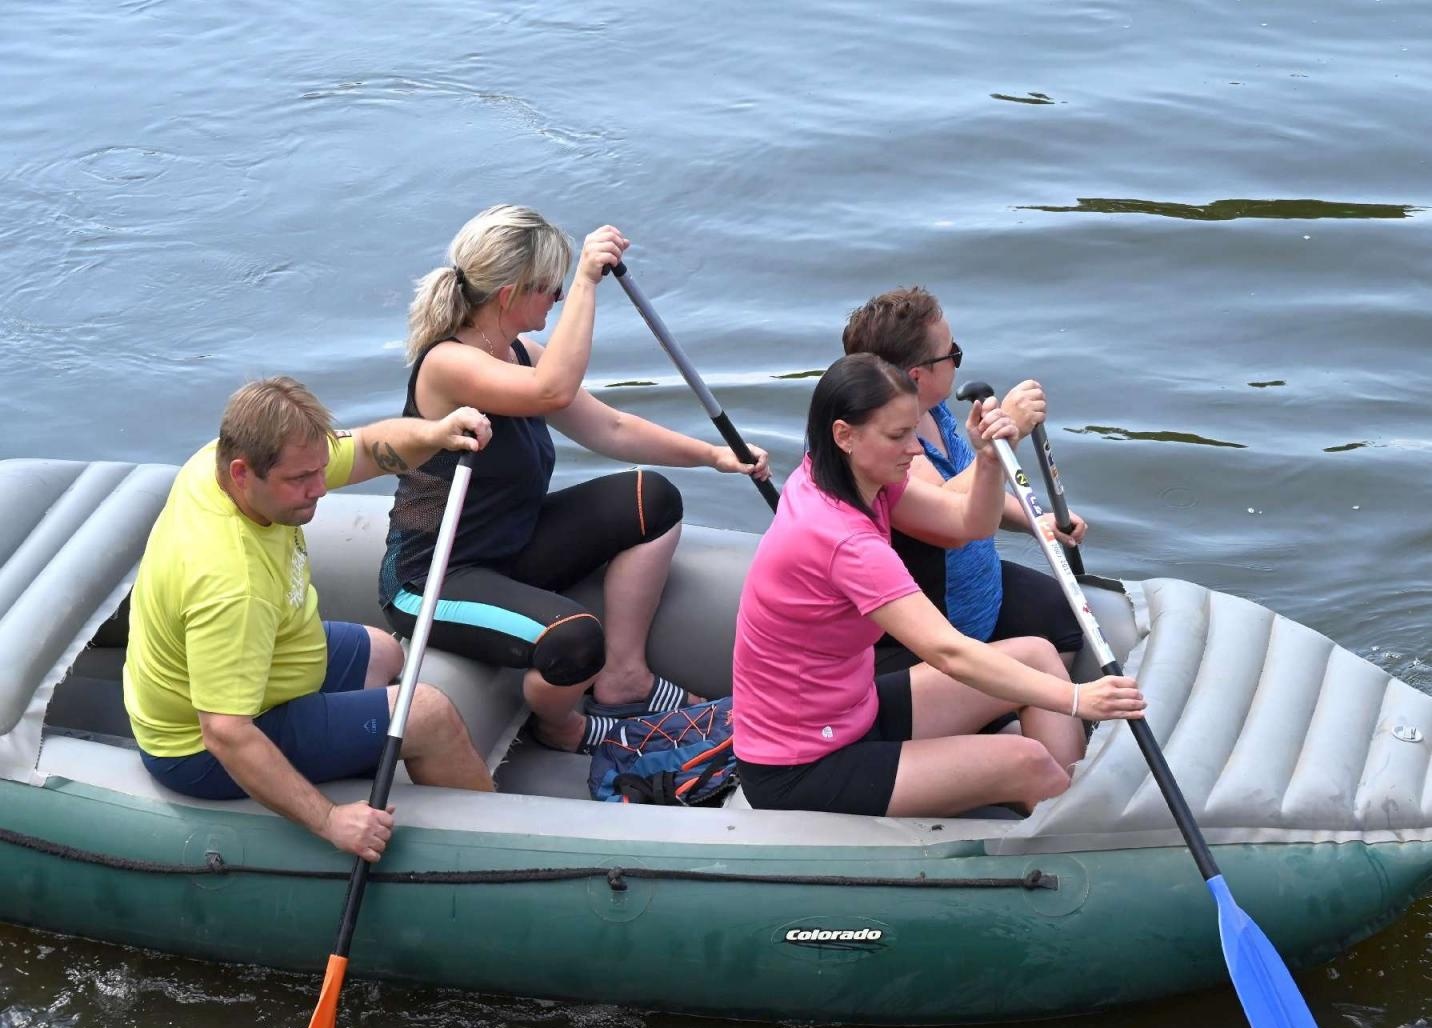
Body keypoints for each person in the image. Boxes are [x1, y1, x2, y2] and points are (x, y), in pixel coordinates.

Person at [383, 205, 771, 755]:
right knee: (576, 638)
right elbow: (552, 391)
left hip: (510, 548)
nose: (559, 296)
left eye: (565, 286)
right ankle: (560, 728)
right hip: (435, 577)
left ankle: (625, 678)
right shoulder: (448, 364)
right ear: (510, 294)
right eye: (552, 288)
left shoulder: (521, 354)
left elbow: (611, 428)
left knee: (652, 499)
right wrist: (588, 281)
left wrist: (713, 456)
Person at [731, 353, 1145, 817]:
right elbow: (949, 652)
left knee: (1037, 654)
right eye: (897, 436)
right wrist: (1078, 699)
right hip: (801, 765)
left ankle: (1073, 811)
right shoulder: (842, 539)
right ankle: (1073, 826)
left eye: (914, 431)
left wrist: (988, 459)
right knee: (1026, 761)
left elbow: (968, 524)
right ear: (844, 435)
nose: (914, 449)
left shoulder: (843, 473)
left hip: (855, 710)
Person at [125, 376, 496, 863]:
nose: (320, 489)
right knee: (428, 715)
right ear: (241, 473)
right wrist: (330, 820)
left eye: (319, 470)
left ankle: (353, 752)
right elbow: (225, 732)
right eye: (301, 479)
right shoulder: (232, 583)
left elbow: (365, 448)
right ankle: (497, 849)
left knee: (384, 652)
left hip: (273, 662)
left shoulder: (217, 460)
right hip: (199, 750)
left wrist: (436, 432)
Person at [842, 287, 1087, 676]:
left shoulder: (934, 410)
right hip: (935, 627)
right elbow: (948, 515)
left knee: (1062, 619)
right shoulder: (883, 448)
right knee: (1037, 654)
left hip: (980, 593)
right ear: (917, 376)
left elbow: (969, 485)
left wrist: (1035, 519)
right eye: (952, 354)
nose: (958, 360)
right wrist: (1002, 443)